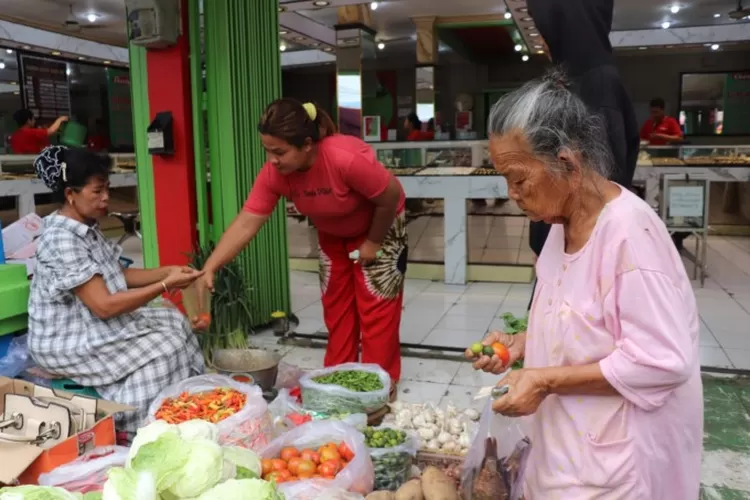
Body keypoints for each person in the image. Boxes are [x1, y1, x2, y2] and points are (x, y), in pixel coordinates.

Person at [466, 73, 702, 498]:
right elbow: (582, 320)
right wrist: (522, 343)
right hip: (566, 447)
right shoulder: (561, 223)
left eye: (519, 179)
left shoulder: (629, 236)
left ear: (569, 165)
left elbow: (662, 362)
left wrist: (544, 380)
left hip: (618, 465)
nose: (512, 194)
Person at [197, 99, 407, 399]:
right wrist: (211, 266)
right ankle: (339, 382)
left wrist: (372, 243)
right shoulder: (276, 174)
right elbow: (247, 222)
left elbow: (391, 196)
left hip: (380, 226)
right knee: (337, 310)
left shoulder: (344, 158)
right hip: (333, 233)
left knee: (375, 311)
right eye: (267, 150)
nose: (272, 160)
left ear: (307, 144)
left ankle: (379, 386)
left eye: (279, 151)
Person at [28, 146, 205, 433]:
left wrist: (168, 271)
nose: (106, 198)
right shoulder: (62, 239)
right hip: (66, 340)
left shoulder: (87, 227)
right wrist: (164, 285)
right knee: (164, 347)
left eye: (107, 189)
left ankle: (181, 405)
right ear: (70, 194)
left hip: (92, 324)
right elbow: (105, 305)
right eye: (97, 191)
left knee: (173, 321)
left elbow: (117, 275)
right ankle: (130, 425)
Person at [526, 0, 640, 308]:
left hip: (581, 257)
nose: (542, 39)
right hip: (567, 247)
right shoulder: (580, 80)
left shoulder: (597, 85)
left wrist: (553, 242)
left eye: (545, 29)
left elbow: (596, 187)